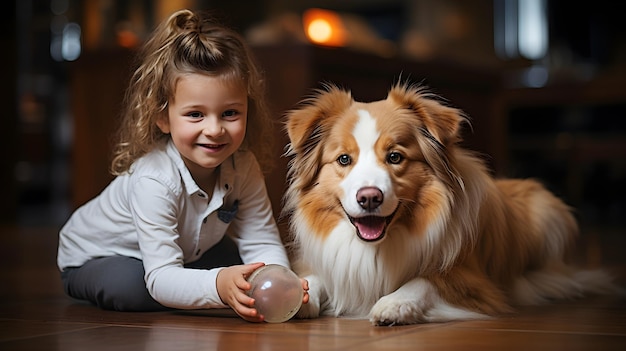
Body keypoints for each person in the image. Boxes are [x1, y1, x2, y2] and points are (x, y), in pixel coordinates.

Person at [57, 9, 308, 322]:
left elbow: (260, 240)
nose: (215, 129)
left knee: (242, 266)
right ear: (163, 117)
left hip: (185, 252)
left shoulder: (244, 165)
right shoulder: (154, 179)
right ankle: (194, 290)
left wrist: (278, 282)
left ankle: (193, 286)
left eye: (230, 113)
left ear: (248, 110)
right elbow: (160, 275)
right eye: (195, 115)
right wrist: (217, 286)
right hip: (99, 256)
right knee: (134, 288)